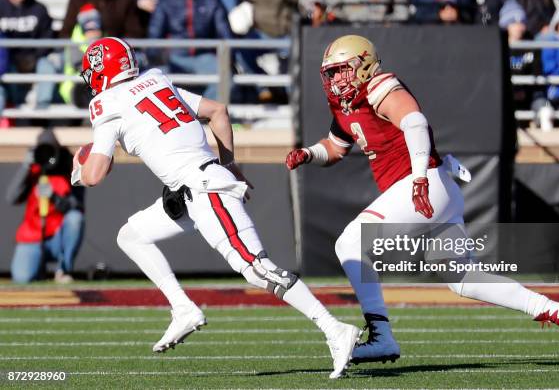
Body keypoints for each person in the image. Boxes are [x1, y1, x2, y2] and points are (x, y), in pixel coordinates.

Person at [285, 34, 559, 365]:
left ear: (364, 64)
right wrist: (308, 153)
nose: (336, 79)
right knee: (464, 279)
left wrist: (418, 177)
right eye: (331, 73)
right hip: (432, 188)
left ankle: (381, 335)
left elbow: (415, 122)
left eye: (342, 70)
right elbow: (336, 148)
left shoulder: (379, 87)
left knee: (349, 243)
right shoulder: (346, 104)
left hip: (423, 184)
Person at [73, 37, 360, 379]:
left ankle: (334, 329)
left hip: (203, 189)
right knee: (132, 236)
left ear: (104, 71)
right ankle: (183, 309)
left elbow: (94, 174)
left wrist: (80, 166)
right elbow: (218, 112)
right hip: (192, 188)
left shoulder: (106, 104)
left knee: (257, 269)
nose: (90, 79)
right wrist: (231, 164)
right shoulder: (156, 79)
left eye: (92, 71)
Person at [6, 129, 85, 283]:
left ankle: (63, 270)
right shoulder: (33, 168)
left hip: (58, 235)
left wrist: (54, 198)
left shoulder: (68, 166)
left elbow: (77, 205)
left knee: (76, 219)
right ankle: (36, 267)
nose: (47, 156)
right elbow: (11, 198)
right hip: (33, 235)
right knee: (22, 278)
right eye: (43, 150)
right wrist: (25, 168)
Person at [148, 0, 233, 100]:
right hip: (174, 57)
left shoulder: (211, 0)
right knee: (155, 79)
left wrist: (227, 58)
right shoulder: (166, 1)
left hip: (203, 56)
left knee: (225, 78)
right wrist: (157, 59)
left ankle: (205, 113)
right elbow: (155, 35)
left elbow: (224, 33)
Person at [0, 0, 57, 115]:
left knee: (48, 66)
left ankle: (42, 113)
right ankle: (16, 104)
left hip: (35, 58)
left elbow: (48, 37)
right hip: (8, 60)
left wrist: (34, 57)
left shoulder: (39, 9)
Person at [59, 0, 144, 39]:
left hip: (116, 52)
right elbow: (66, 32)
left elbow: (134, 33)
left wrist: (113, 44)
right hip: (82, 53)